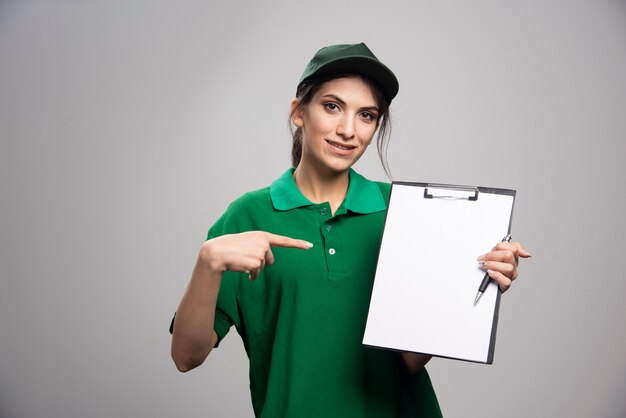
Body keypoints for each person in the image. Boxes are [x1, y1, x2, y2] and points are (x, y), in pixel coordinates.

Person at [170, 43, 530, 417]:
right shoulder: (248, 215)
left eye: (367, 115)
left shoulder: (402, 211)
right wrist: (207, 265)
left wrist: (475, 278)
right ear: (298, 112)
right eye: (332, 106)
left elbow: (409, 359)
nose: (347, 130)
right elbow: (186, 356)